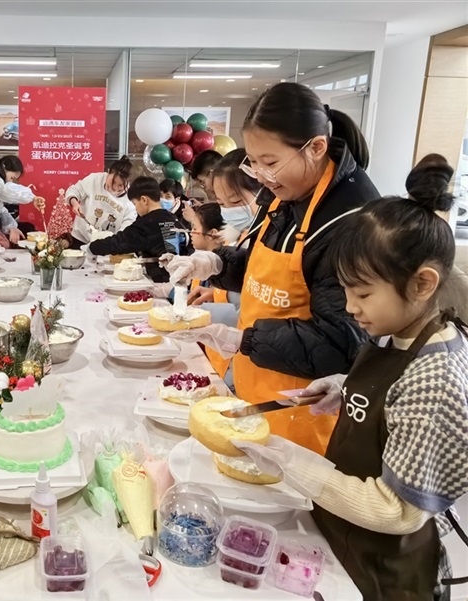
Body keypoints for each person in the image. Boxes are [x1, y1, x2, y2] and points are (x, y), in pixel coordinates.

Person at [236, 156, 468, 601]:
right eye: (344, 291)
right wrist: (345, 387)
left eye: (362, 294)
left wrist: (293, 463)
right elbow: (388, 393)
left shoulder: (436, 378)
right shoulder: (397, 329)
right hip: (341, 535)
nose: (350, 307)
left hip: (384, 567)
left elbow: (397, 511)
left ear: (422, 284)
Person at [166, 82, 377, 455]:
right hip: (259, 387)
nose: (262, 175)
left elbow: (341, 342)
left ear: (315, 148)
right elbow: (259, 261)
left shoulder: (350, 221)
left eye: (271, 162)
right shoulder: (286, 193)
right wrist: (215, 263)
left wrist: (244, 339)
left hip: (306, 412)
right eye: (255, 162)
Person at [88, 177, 185, 283]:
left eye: (135, 204)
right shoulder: (172, 218)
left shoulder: (147, 224)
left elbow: (118, 242)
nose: (136, 209)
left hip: (165, 284)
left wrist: (91, 248)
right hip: (182, 280)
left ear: (144, 200)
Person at [0, 156, 46, 247]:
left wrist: (11, 226)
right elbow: (3, 190)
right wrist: (32, 197)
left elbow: (0, 209)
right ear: (4, 168)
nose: (10, 182)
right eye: (12, 178)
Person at [66, 156, 136, 248]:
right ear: (108, 171)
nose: (115, 187)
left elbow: (128, 224)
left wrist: (117, 241)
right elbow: (74, 190)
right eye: (112, 182)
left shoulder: (130, 197)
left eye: (120, 185)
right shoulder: (95, 179)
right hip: (80, 238)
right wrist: (74, 203)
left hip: (106, 245)